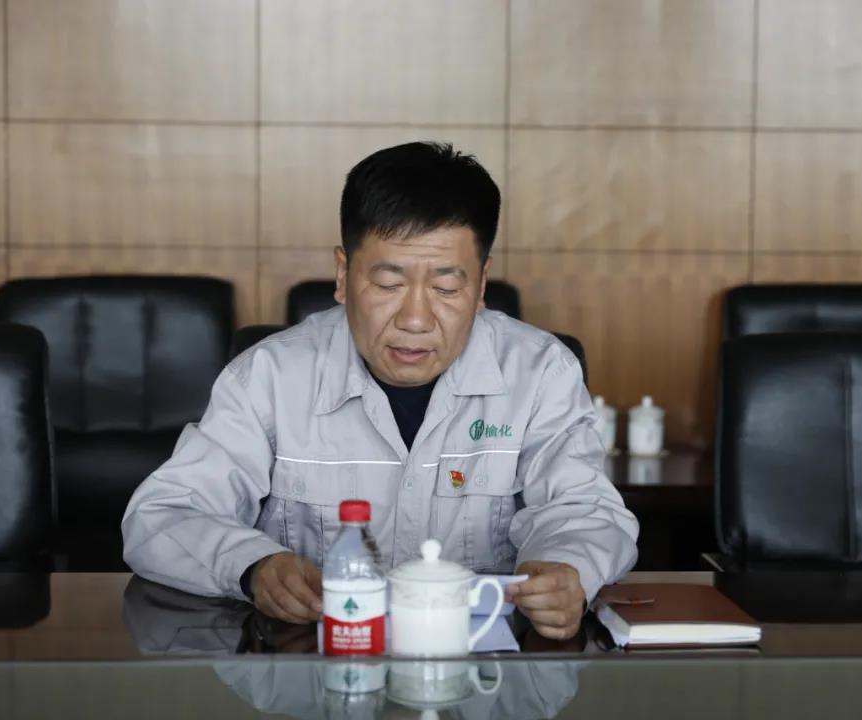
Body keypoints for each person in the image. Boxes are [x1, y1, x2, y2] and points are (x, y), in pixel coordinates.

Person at [122, 142, 638, 641]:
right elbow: (163, 515)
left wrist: (567, 568)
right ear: (343, 274)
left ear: (481, 285)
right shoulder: (268, 376)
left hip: (479, 672)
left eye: (446, 288)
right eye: (389, 284)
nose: (415, 319)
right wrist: (253, 566)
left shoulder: (541, 372)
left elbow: (584, 510)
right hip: (314, 672)